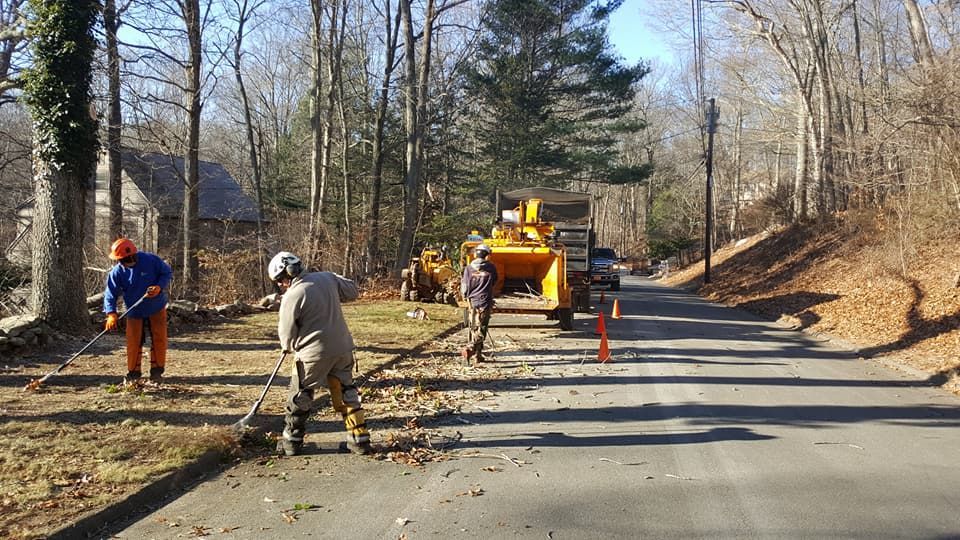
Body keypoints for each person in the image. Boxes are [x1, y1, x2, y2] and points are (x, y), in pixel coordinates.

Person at [268, 251, 373, 456]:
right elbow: (352, 291)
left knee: (300, 396)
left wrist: (287, 346)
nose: (280, 285)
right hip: (343, 349)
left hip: (313, 355)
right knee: (347, 393)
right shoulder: (327, 277)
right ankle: (359, 441)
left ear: (289, 273)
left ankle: (291, 442)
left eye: (280, 280)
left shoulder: (292, 295)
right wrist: (333, 279)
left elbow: (287, 331)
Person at [103, 238, 173, 383]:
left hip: (156, 307)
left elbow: (166, 273)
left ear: (131, 255)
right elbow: (110, 293)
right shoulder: (117, 272)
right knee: (133, 341)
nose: (121, 262)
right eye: (119, 260)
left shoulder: (151, 260)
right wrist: (111, 314)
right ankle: (133, 372)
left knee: (159, 338)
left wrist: (159, 287)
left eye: (123, 259)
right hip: (133, 311)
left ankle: (157, 371)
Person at [460, 244, 497, 365]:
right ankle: (470, 349)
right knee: (482, 327)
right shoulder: (491, 267)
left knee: (473, 327)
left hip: (472, 302)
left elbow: (464, 286)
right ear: (486, 255)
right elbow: (495, 281)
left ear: (476, 254)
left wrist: (465, 297)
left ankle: (478, 355)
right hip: (485, 301)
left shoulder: (469, 268)